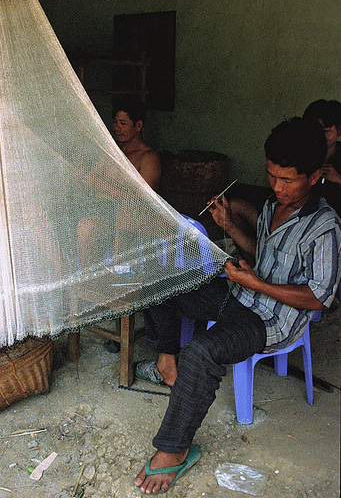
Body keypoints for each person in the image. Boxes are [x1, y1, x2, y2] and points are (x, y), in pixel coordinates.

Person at [133, 117, 341, 495]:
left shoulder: (324, 226)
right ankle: (167, 361)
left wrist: (256, 283)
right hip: (242, 293)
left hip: (271, 319)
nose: (277, 186)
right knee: (161, 282)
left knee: (202, 351)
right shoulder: (273, 205)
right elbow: (260, 255)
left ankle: (174, 451)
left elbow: (319, 296)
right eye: (271, 176)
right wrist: (230, 226)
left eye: (288, 180)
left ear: (313, 177)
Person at [77, 95, 161, 267]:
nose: (117, 128)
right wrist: (80, 176)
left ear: (138, 126)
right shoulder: (110, 152)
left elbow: (146, 198)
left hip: (124, 215)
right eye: (115, 122)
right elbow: (89, 180)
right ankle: (80, 281)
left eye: (123, 123)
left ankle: (87, 282)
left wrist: (102, 185)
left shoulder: (148, 157)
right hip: (97, 207)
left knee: (87, 227)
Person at [303, 99, 341, 216]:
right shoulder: (302, 153)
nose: (319, 136)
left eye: (325, 131)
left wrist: (338, 179)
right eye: (314, 130)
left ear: (339, 131)